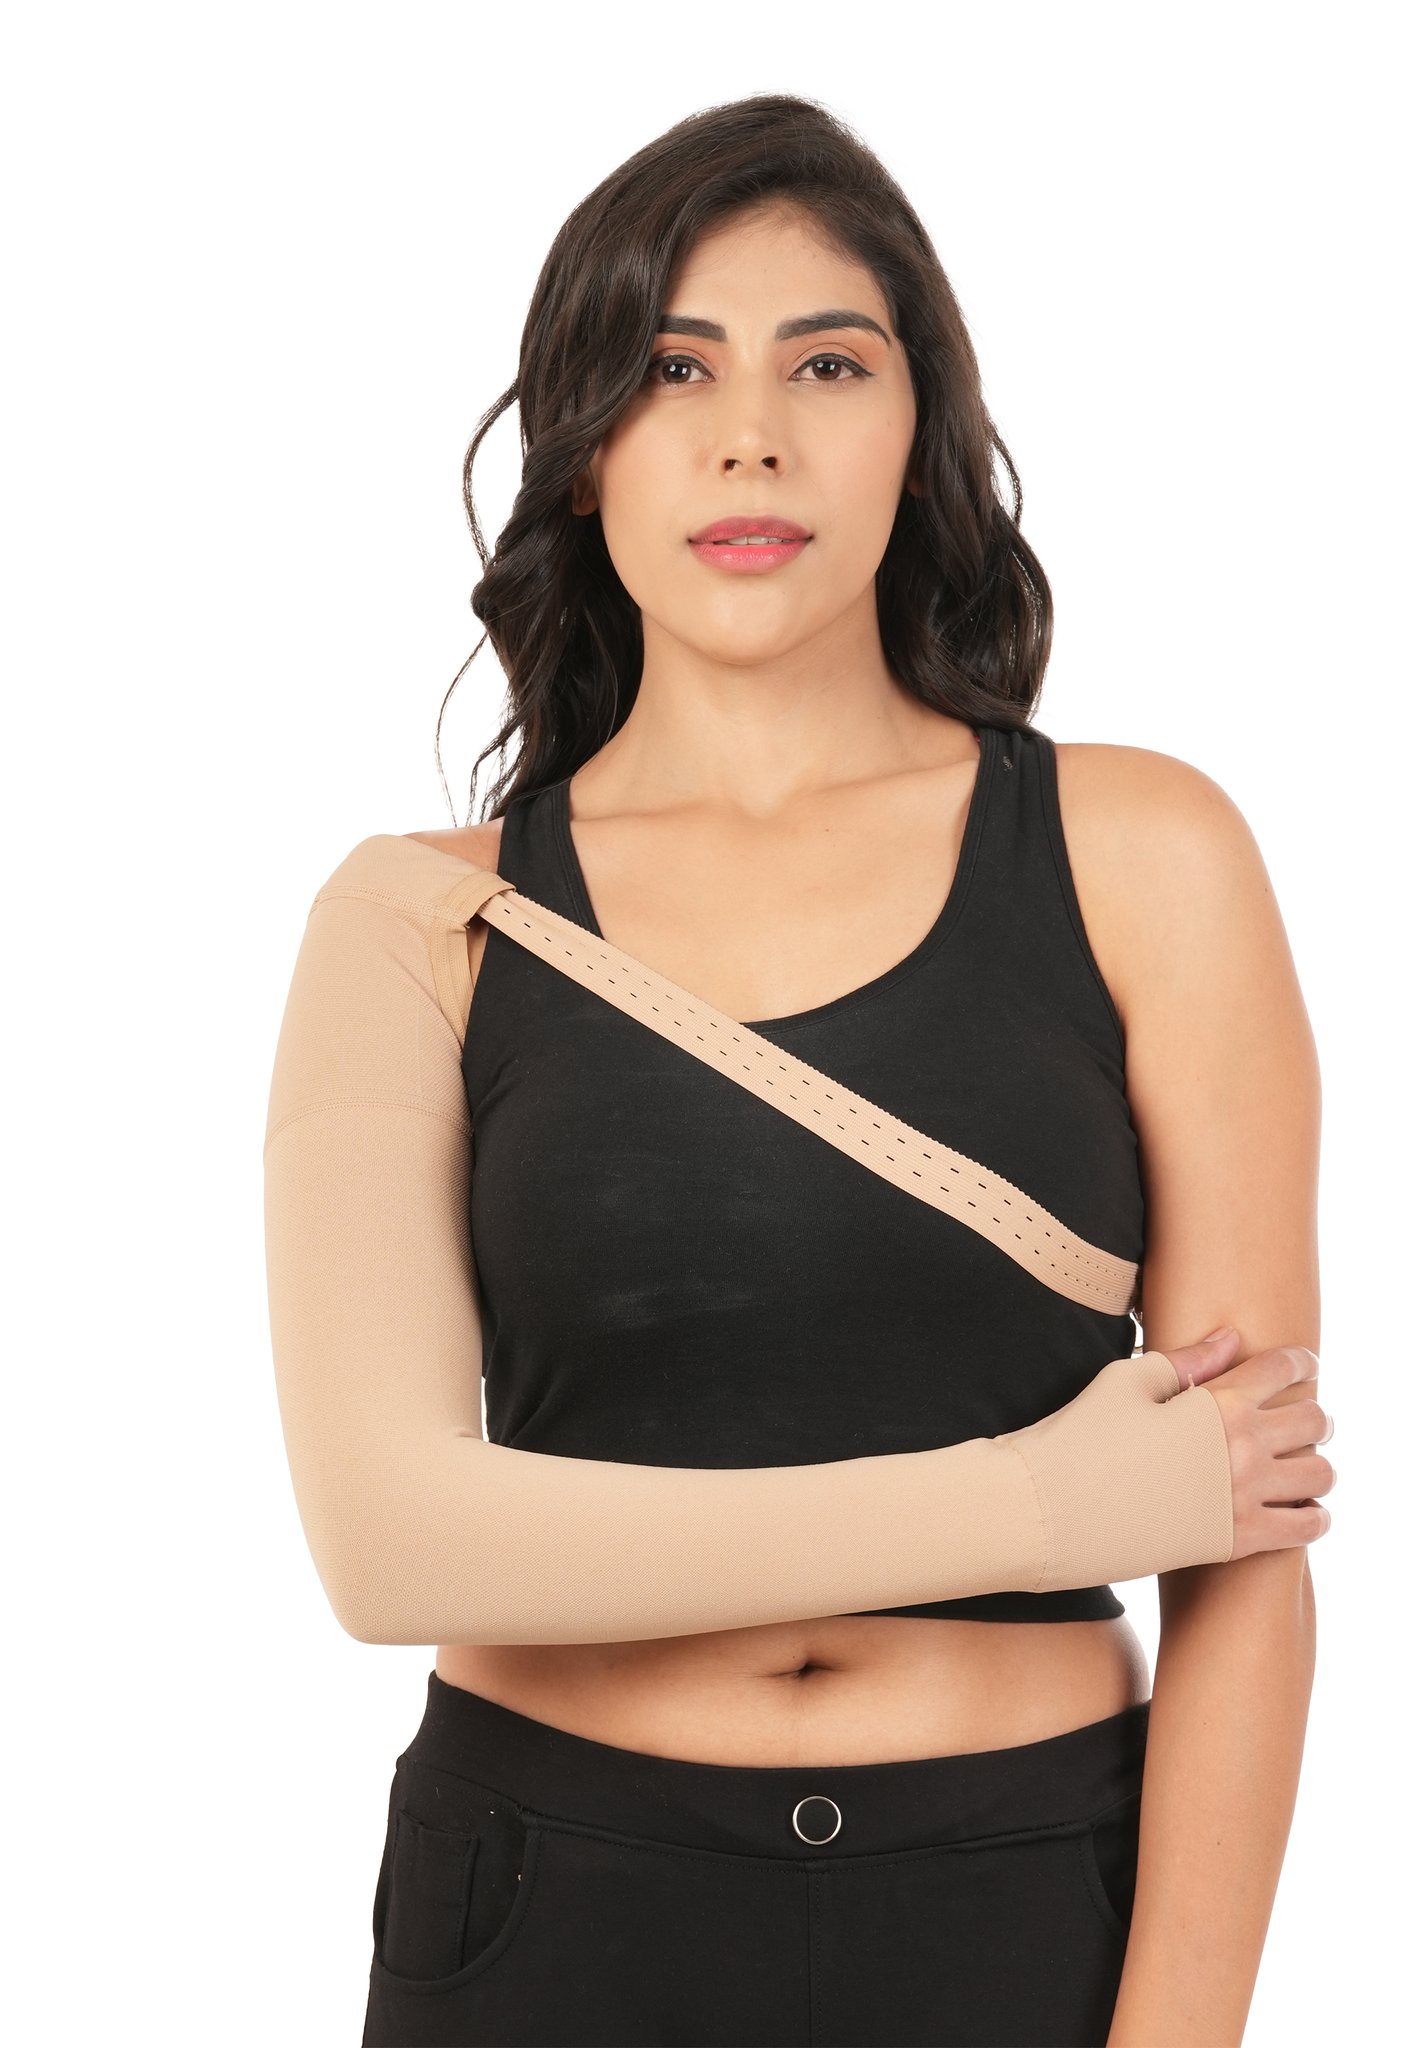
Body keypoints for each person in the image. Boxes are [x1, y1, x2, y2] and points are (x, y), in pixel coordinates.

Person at [262, 93, 1334, 2048]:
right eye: (673, 368)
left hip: (1027, 1899)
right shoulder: (419, 920)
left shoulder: (1144, 852)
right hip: (553, 1909)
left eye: (824, 363)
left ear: (919, 424)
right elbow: (387, 1540)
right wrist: (1030, 1508)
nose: (749, 433)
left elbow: (1243, 1538)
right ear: (585, 443)